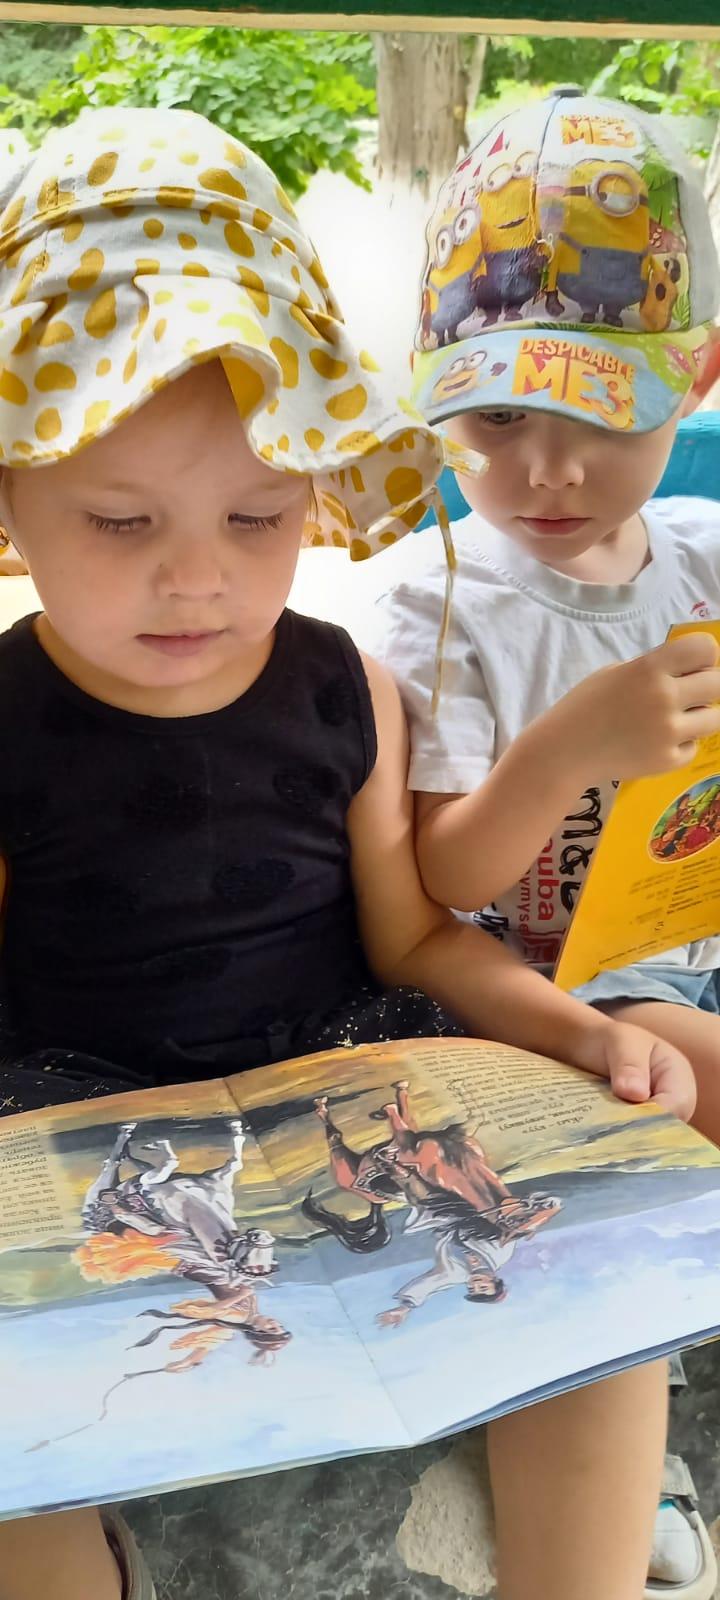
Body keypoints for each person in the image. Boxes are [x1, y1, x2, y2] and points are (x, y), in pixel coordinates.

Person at [0, 106, 689, 1600]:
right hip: (73, 1112)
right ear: (11, 497)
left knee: (593, 1309)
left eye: (259, 516)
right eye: (117, 522)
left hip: (348, 1072)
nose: (197, 576)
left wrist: (577, 1033)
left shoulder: (340, 685)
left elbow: (419, 937)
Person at [364, 87, 720, 1599]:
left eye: (600, 417)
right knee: (690, 1081)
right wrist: (569, 747)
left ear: (694, 379)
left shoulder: (701, 559)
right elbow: (443, 886)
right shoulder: (437, 597)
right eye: (498, 418)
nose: (546, 473)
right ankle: (649, 1425)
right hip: (550, 992)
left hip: (690, 938)